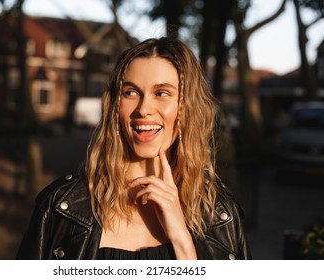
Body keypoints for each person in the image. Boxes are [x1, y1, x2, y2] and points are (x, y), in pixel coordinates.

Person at [16, 37, 252, 260]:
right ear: (115, 107)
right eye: (130, 92)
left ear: (188, 107)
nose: (144, 108)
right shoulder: (59, 208)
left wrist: (183, 241)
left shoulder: (222, 215)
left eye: (162, 93)